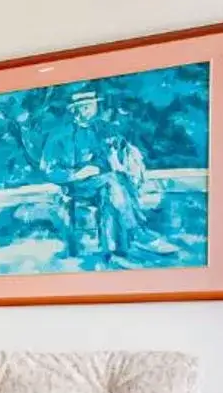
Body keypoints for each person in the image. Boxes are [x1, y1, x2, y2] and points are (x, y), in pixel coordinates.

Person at [36, 89, 174, 269]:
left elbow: (122, 149)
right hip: (75, 184)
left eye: (91, 106)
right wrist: (78, 174)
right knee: (113, 183)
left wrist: (127, 160)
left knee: (113, 187)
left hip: (106, 182)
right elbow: (49, 170)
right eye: (83, 107)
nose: (88, 110)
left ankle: (114, 253)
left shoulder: (102, 128)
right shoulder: (60, 136)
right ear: (74, 110)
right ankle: (137, 233)